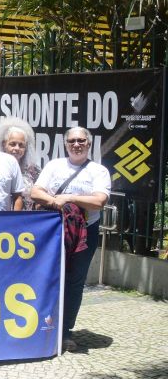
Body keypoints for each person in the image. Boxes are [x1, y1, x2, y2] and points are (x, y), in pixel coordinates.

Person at [30, 127, 111, 352]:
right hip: (53, 232)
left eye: (81, 141)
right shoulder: (54, 166)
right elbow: (36, 192)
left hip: (85, 233)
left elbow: (99, 201)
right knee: (48, 277)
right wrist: (56, 202)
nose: (77, 145)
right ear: (66, 144)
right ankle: (41, 326)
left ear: (89, 144)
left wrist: (69, 198)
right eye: (72, 141)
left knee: (74, 282)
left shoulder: (98, 171)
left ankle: (65, 331)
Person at [0, 117, 41, 211]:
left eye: (21, 145)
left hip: (27, 218)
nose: (17, 148)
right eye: (12, 144)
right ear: (4, 144)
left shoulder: (34, 170)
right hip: (1, 216)